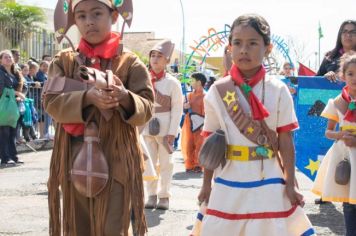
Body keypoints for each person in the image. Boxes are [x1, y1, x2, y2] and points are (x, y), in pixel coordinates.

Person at [43, 0, 154, 235]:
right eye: (81, 16)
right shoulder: (64, 62)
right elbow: (50, 102)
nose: (89, 21)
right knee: (77, 228)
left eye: (96, 13)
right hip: (73, 162)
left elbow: (147, 107)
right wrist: (87, 98)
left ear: (113, 17)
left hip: (118, 161)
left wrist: (124, 97)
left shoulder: (130, 62)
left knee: (113, 228)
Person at [197, 14, 314, 235]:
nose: (244, 50)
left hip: (268, 176)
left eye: (253, 43)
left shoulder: (279, 90)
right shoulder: (216, 91)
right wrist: (206, 184)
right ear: (230, 48)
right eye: (238, 43)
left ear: (268, 48)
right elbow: (210, 140)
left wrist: (289, 182)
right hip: (228, 176)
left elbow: (286, 139)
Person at [312, 51, 356, 236]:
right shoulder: (336, 102)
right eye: (351, 73)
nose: (354, 78)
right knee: (349, 200)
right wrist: (340, 135)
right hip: (346, 156)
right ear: (343, 76)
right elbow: (328, 132)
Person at [142, 39, 183, 210]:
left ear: (166, 60)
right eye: (153, 56)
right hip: (145, 129)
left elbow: (177, 109)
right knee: (148, 164)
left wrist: (172, 132)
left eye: (159, 56)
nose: (155, 59)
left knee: (166, 164)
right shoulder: (142, 79)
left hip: (166, 129)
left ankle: (164, 196)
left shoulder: (173, 83)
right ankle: (151, 195)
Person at [0, 50, 25, 165]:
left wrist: (20, 95)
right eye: (5, 57)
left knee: (13, 132)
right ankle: (5, 158)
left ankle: (13, 156)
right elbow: (2, 89)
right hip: (4, 105)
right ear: (1, 60)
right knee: (4, 132)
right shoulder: (1, 72)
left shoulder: (16, 72)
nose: (9, 59)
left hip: (15, 106)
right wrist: (15, 93)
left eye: (10, 57)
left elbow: (23, 86)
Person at [181, 72, 206, 173]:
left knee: (199, 144)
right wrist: (185, 107)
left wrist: (204, 124)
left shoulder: (205, 96)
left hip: (200, 124)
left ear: (199, 82)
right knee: (188, 143)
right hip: (189, 123)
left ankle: (198, 165)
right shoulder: (189, 95)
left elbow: (206, 111)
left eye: (192, 80)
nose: (190, 82)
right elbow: (184, 111)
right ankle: (190, 164)